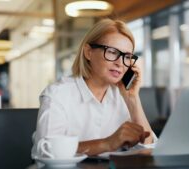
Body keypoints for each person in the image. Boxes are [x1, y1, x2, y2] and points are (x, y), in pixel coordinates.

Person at [31, 18, 157, 157]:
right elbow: (47, 152)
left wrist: (132, 99)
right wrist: (107, 143)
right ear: (88, 52)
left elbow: (149, 150)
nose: (120, 63)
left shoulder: (122, 95)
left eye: (127, 56)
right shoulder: (58, 94)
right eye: (112, 52)